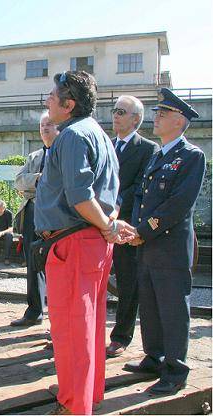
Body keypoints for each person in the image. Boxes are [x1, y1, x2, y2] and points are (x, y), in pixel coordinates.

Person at [34, 71, 134, 415]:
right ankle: (86, 393)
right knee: (89, 325)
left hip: (73, 244)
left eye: (52, 95)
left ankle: (74, 405)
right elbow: (113, 193)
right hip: (92, 242)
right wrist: (108, 223)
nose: (48, 100)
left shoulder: (72, 136)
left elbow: (80, 197)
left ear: (68, 104)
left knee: (71, 330)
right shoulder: (101, 135)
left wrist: (105, 223)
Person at [123, 88, 206, 395]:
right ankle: (155, 356)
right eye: (157, 112)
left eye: (163, 114)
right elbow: (142, 196)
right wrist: (135, 229)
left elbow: (178, 203)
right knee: (150, 303)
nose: (156, 118)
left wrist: (143, 230)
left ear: (179, 120)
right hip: (147, 244)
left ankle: (175, 369)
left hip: (169, 247)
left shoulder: (191, 156)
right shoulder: (158, 155)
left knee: (172, 308)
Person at [106, 96, 159, 358]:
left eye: (121, 111)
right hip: (98, 223)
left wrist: (113, 213)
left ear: (136, 119)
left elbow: (139, 189)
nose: (115, 115)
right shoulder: (106, 145)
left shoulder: (148, 149)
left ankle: (120, 336)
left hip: (124, 226)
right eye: (114, 110)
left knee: (128, 283)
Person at [12, 109, 59, 327]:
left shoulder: (64, 153)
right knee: (32, 263)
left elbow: (57, 186)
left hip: (56, 217)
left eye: (49, 124)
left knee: (56, 265)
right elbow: (19, 182)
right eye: (42, 125)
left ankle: (58, 316)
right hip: (32, 214)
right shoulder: (34, 157)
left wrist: (33, 185)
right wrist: (39, 180)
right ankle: (34, 311)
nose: (45, 128)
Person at [0, 200, 13, 265]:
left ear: (4, 208)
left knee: (9, 236)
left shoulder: (8, 213)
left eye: (1, 209)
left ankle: (6, 258)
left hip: (5, 233)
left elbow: (11, 228)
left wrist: (2, 232)